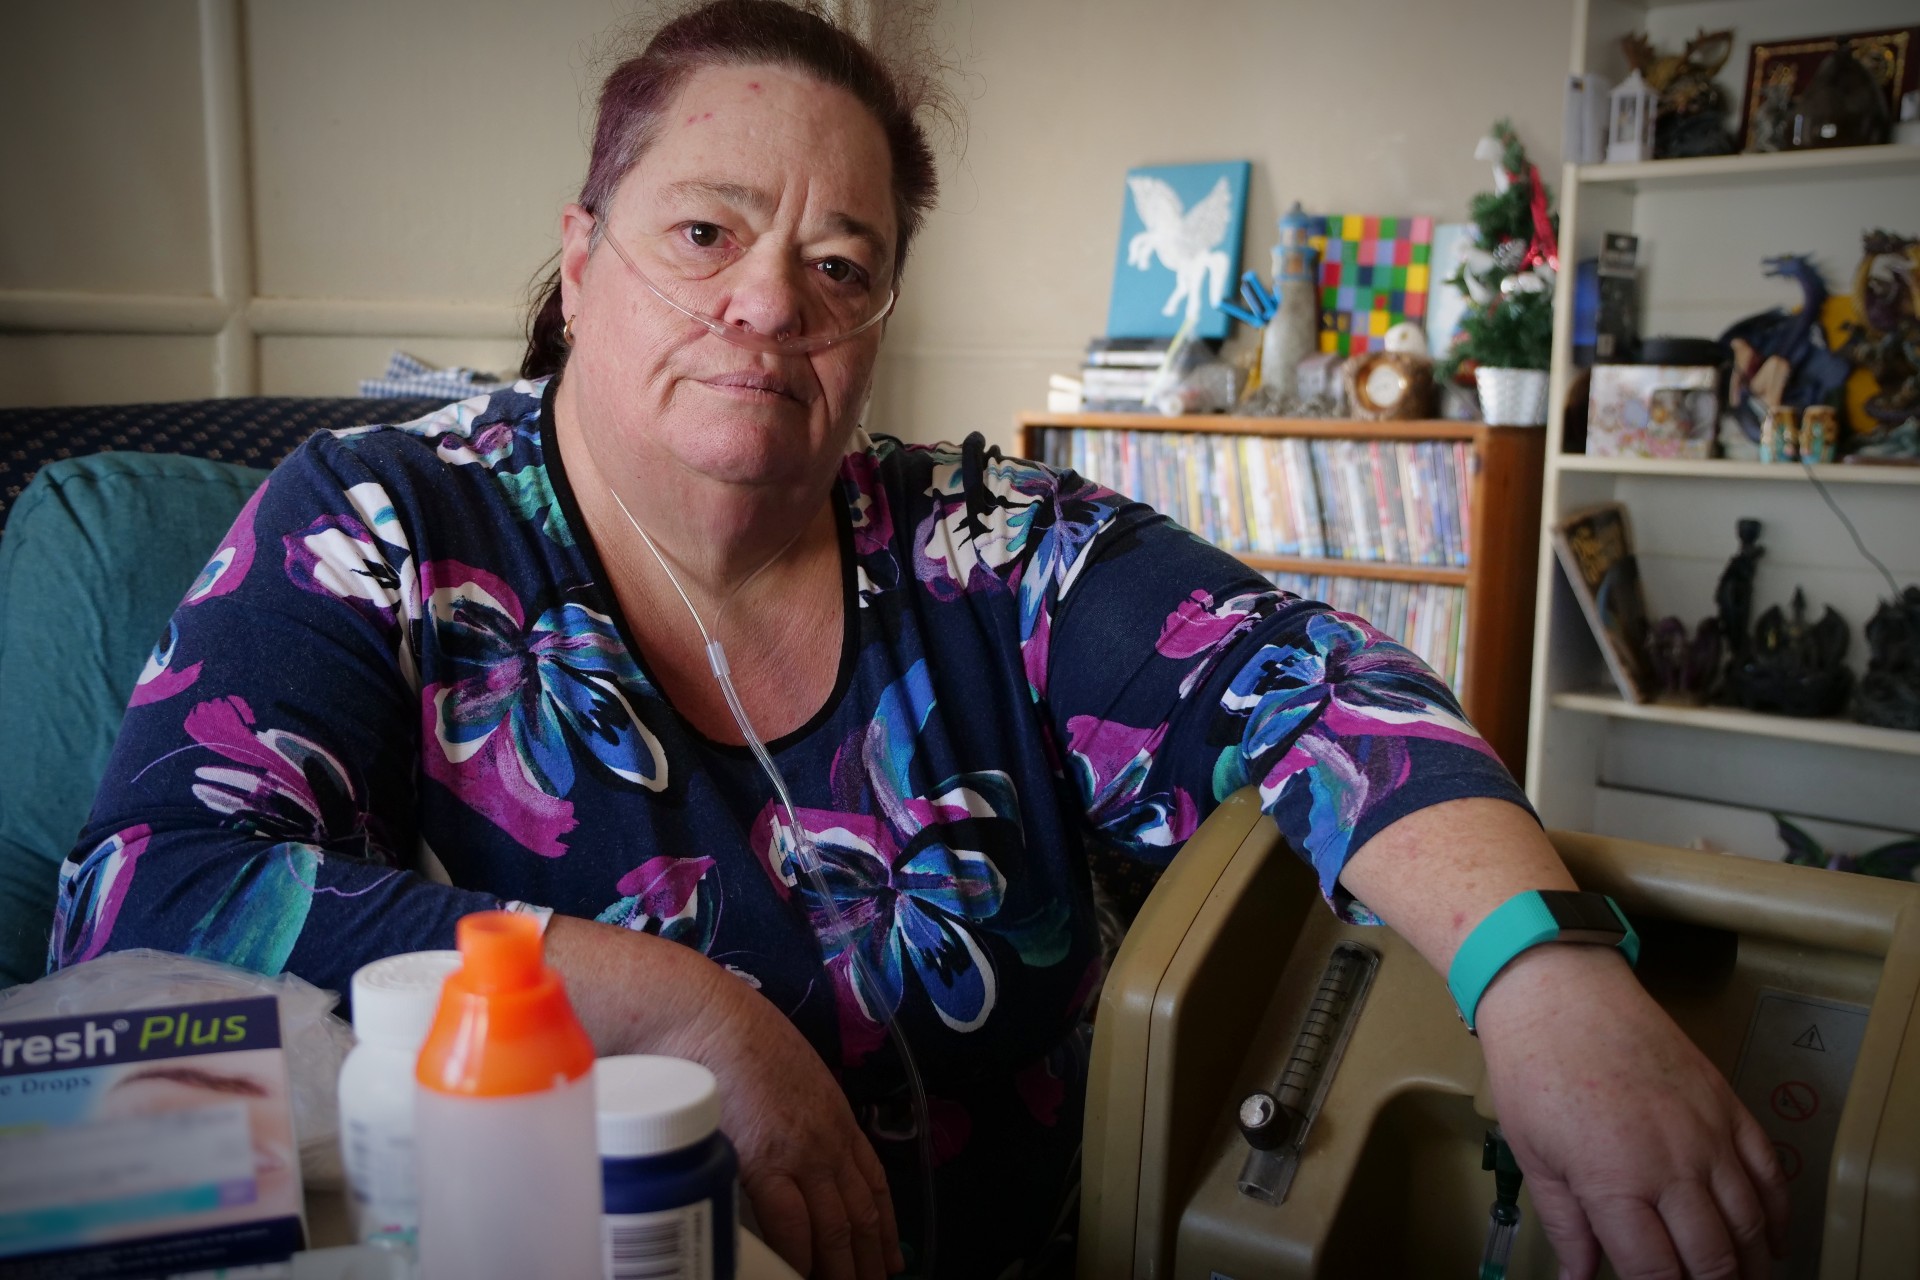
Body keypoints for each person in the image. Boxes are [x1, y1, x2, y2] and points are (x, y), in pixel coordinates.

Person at [51, 3, 1787, 1277]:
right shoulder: (383, 522)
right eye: (707, 231)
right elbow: (147, 895)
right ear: (581, 263)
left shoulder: (978, 542)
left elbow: (1306, 678)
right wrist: (683, 1010)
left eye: (840, 263)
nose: (767, 305)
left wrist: (1542, 976)